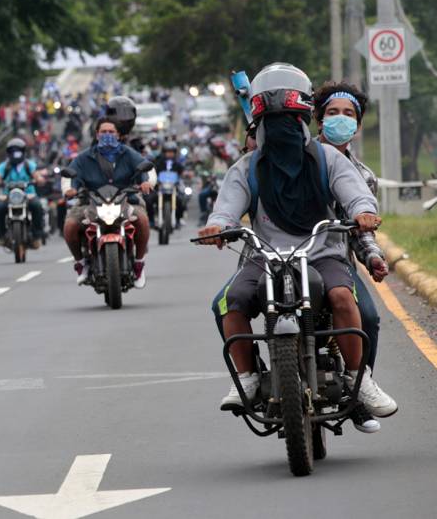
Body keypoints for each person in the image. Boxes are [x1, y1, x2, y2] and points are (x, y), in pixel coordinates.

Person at [197, 62, 396, 427]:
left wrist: (364, 213)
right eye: (275, 123)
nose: (283, 130)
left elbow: (356, 197)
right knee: (230, 302)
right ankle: (246, 376)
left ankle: (358, 378)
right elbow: (225, 208)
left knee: (342, 297)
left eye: (290, 120)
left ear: (303, 120)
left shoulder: (329, 159)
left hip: (323, 253)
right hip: (265, 257)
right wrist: (217, 227)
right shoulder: (247, 167)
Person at [312, 81, 388, 370]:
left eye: (348, 113)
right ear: (319, 120)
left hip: (336, 262)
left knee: (367, 317)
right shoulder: (297, 161)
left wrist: (372, 257)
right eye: (332, 112)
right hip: (290, 258)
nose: (340, 118)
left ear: (357, 124)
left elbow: (358, 230)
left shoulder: (363, 177)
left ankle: (362, 388)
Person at [64, 117, 153, 287]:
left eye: (111, 132)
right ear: (97, 135)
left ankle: (139, 263)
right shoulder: (84, 157)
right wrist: (70, 189)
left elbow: (145, 168)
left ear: (119, 135)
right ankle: (81, 264)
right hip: (89, 202)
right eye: (103, 132)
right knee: (69, 226)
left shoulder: (128, 154)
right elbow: (71, 175)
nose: (107, 135)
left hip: (126, 201)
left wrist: (146, 182)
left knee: (142, 220)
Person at [0, 138, 45, 248]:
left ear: (23, 152)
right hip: (8, 196)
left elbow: (37, 176)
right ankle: (2, 236)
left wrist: (39, 179)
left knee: (37, 206)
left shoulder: (29, 165)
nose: (16, 154)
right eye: (13, 151)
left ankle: (36, 236)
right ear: (9, 153)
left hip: (28, 194)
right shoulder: (4, 166)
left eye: (18, 151)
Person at [147, 140, 189, 227]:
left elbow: (183, 172)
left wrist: (187, 174)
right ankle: (151, 220)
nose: (170, 154)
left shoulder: (178, 163)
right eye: (168, 152)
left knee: (181, 200)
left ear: (175, 153)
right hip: (160, 187)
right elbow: (152, 171)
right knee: (148, 200)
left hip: (174, 188)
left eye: (171, 152)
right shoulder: (158, 162)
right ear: (164, 152)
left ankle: (178, 219)